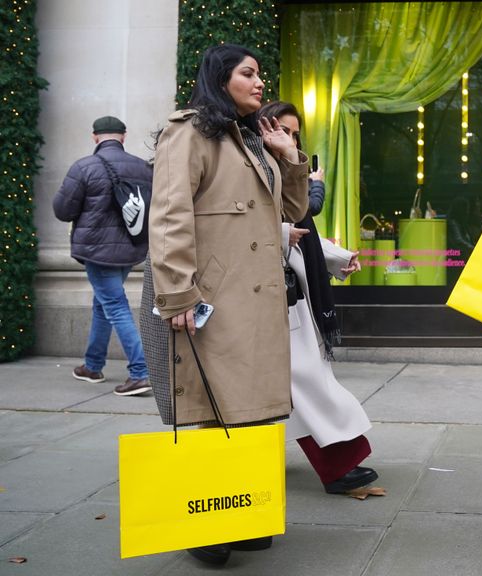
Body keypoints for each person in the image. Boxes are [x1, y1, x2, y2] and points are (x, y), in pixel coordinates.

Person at [148, 44, 309, 566]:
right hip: (211, 298)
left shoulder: (252, 138)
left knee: (251, 410)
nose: (260, 83)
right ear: (221, 79)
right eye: (248, 74)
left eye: (260, 73)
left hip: (256, 298)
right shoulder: (189, 132)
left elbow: (289, 211)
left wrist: (289, 160)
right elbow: (170, 216)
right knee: (212, 407)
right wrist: (177, 291)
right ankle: (205, 524)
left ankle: (244, 512)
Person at [259, 101, 380, 495]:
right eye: (283, 130)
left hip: (289, 295)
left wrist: (338, 257)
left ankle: (333, 462)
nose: (289, 139)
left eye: (295, 133)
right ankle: (339, 464)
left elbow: (301, 228)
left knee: (300, 383)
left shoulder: (280, 170)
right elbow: (239, 228)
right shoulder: (257, 170)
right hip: (264, 299)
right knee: (304, 381)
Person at [52, 116, 152, 397]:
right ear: (124, 136)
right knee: (104, 303)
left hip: (97, 250)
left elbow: (63, 210)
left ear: (95, 136)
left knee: (115, 305)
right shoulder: (143, 168)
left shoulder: (84, 166)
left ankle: (140, 372)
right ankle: (92, 366)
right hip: (130, 250)